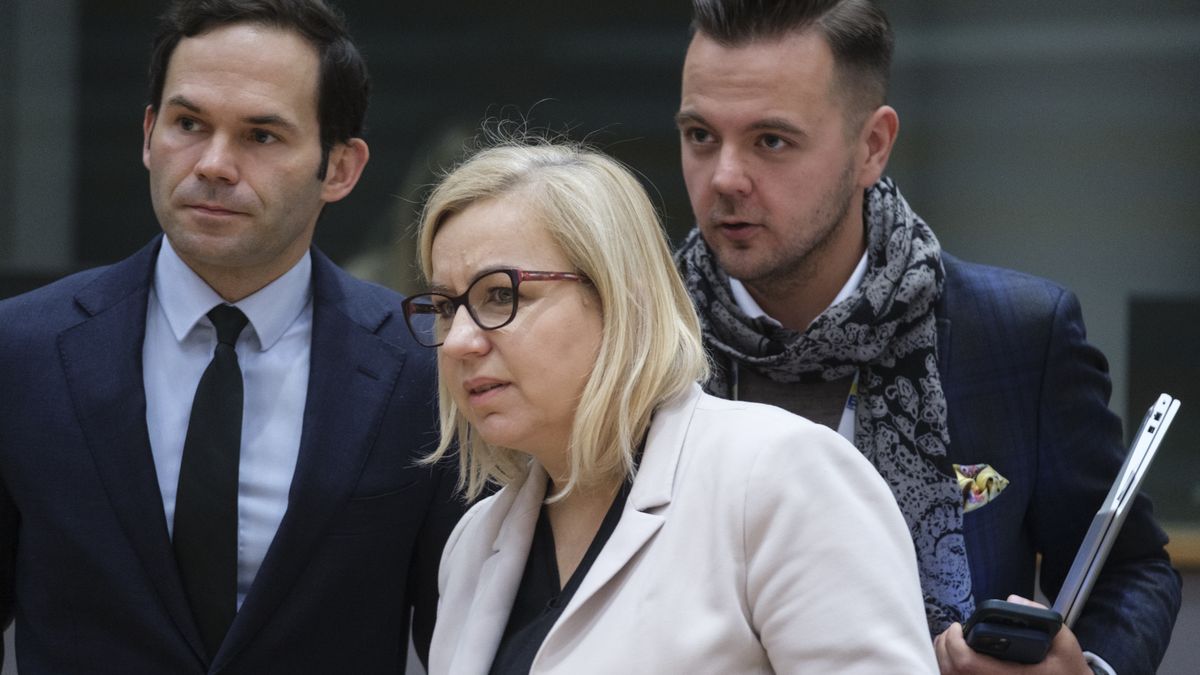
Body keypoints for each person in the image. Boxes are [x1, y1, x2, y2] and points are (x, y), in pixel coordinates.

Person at [672, 1, 1182, 674]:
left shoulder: (1013, 335)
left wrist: (1087, 667)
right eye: (701, 135)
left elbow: (1133, 570)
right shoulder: (632, 341)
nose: (724, 177)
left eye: (771, 141)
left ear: (871, 147)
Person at [0, 1, 460, 672]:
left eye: (261, 135)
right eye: (189, 124)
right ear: (149, 134)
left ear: (340, 168)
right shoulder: (23, 350)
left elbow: (463, 636)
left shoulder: (420, 366)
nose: (214, 163)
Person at [403, 138, 938, 674]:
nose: (457, 342)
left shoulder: (779, 477)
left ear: (620, 299)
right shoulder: (474, 543)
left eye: (501, 295)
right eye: (446, 307)